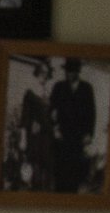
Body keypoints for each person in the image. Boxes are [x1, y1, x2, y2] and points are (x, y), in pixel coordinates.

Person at [49, 56, 98, 194]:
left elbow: (91, 113)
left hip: (78, 138)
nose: (69, 74)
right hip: (61, 137)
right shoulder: (58, 87)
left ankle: (71, 197)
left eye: (73, 71)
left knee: (74, 173)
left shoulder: (87, 89)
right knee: (60, 172)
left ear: (78, 72)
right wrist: (55, 128)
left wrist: (89, 134)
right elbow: (52, 110)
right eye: (67, 71)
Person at [13, 59, 55, 192]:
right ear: (37, 73)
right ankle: (35, 192)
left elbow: (50, 116)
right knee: (35, 165)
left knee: (46, 166)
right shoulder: (30, 92)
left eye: (47, 73)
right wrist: (24, 139)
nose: (45, 76)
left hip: (46, 135)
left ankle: (44, 193)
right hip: (34, 136)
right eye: (42, 73)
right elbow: (25, 117)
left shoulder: (48, 93)